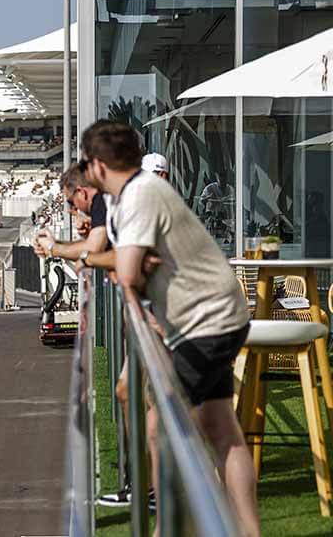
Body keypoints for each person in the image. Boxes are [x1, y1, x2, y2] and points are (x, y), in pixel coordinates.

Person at [82, 120, 260, 537]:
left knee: (164, 428)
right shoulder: (142, 191)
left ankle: (169, 528)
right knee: (221, 430)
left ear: (99, 165)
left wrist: (124, 265)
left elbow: (125, 273)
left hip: (204, 322)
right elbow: (132, 266)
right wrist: (133, 265)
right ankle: (247, 532)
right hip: (217, 316)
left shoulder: (139, 195)